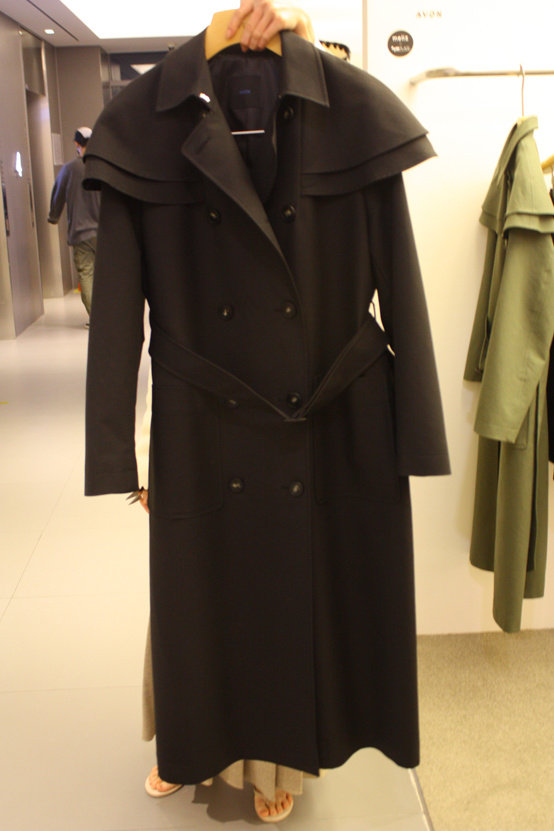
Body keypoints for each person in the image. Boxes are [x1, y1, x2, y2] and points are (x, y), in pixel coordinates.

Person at [135, 1, 317, 822]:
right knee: (188, 581)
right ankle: (183, 734)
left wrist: (304, 35)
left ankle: (279, 763)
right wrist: (136, 448)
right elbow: (141, 315)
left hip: (292, 398)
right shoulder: (165, 116)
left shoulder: (317, 105)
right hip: (196, 397)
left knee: (280, 583)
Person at [48, 127, 100, 318]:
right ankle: (109, 316)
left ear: (77, 144)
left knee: (86, 274)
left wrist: (53, 217)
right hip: (105, 232)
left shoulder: (69, 169)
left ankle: (96, 318)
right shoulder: (102, 167)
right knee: (106, 275)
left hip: (80, 231)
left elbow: (58, 195)